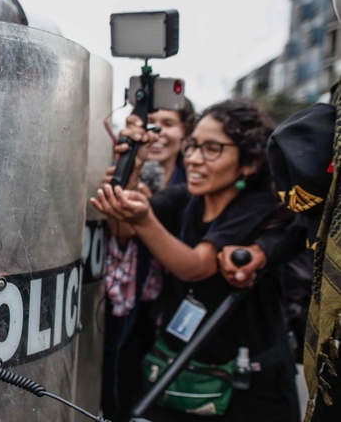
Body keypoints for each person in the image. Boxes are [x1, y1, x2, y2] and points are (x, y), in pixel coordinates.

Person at [91, 99, 299, 422]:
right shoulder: (184, 199)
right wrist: (131, 167)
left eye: (212, 149)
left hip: (248, 390)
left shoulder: (259, 206)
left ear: (249, 162)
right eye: (193, 146)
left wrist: (145, 220)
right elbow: (123, 227)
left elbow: (195, 266)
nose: (194, 159)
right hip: (180, 378)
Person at [100, 98, 195, 422]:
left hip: (180, 310)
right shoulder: (130, 173)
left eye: (167, 124)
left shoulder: (198, 183)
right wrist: (129, 168)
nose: (156, 134)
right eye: (149, 124)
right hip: (133, 305)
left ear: (186, 133)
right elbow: (121, 234)